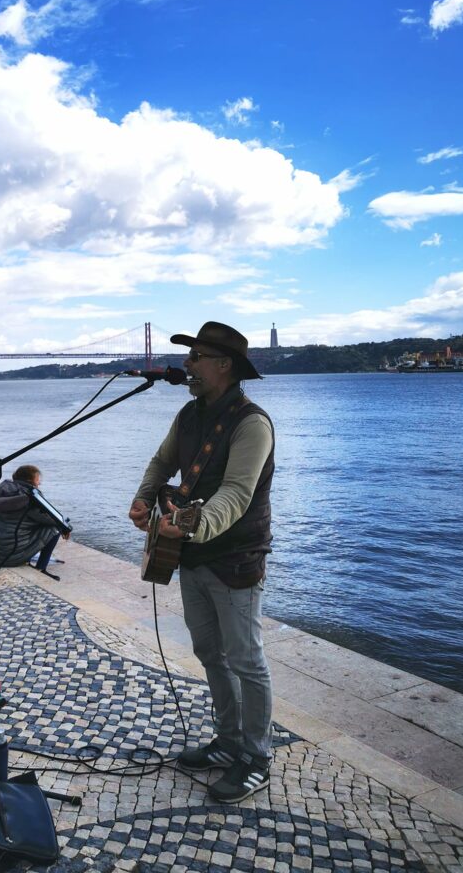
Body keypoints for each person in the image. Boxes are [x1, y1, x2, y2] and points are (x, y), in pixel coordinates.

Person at [128, 322, 275, 804]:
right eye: (188, 357)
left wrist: (191, 525)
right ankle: (228, 741)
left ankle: (256, 757)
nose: (187, 365)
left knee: (247, 661)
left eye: (196, 357)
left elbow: (236, 493)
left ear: (224, 365)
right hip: (192, 557)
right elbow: (160, 460)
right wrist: (144, 497)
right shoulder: (189, 415)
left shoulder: (252, 423)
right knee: (211, 654)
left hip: (234, 560)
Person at [0, 465, 70, 580]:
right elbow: (50, 519)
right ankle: (41, 567)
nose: (39, 483)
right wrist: (65, 527)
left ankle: (29, 555)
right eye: (38, 479)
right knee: (55, 528)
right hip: (9, 557)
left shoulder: (2, 488)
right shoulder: (30, 497)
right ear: (30, 480)